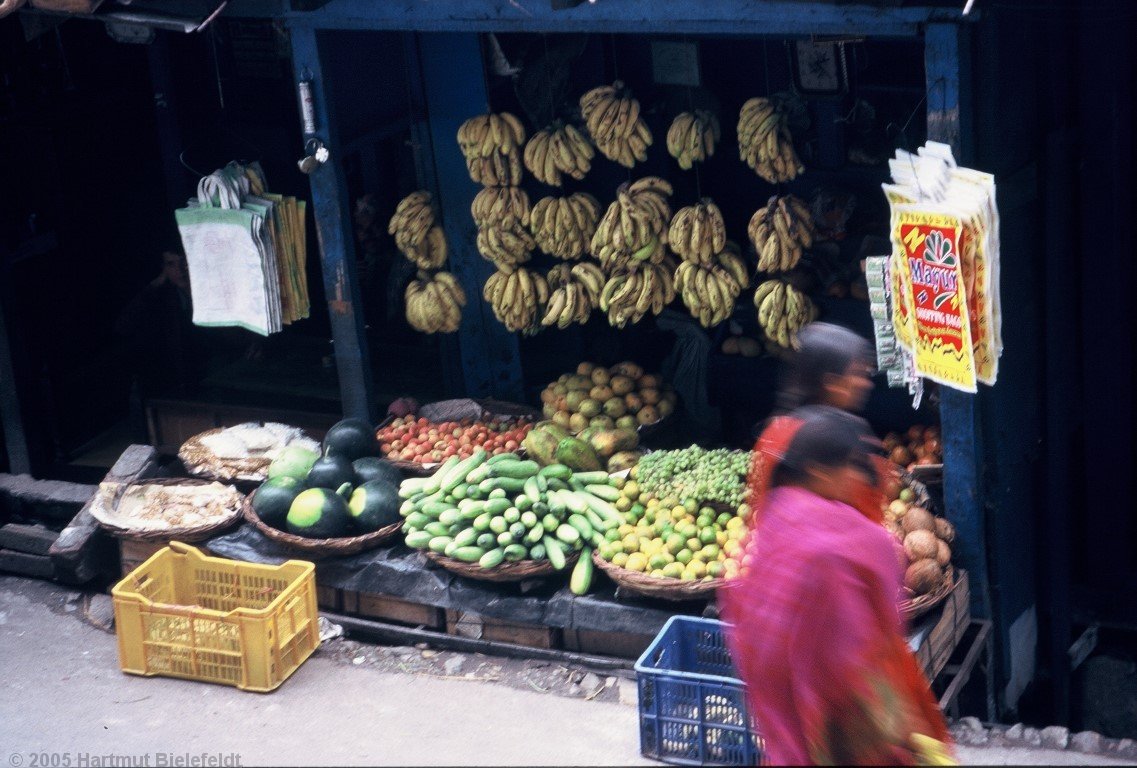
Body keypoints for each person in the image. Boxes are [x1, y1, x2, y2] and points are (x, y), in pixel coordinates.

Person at [719, 407, 953, 765]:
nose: (857, 478)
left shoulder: (775, 514)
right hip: (838, 709)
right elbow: (858, 646)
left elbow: (749, 615)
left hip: (783, 699)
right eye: (849, 466)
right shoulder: (838, 541)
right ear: (817, 470)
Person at [748, 322, 894, 524]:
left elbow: (759, 509)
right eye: (858, 373)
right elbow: (866, 520)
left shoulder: (775, 433)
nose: (866, 383)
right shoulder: (847, 444)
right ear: (831, 382)